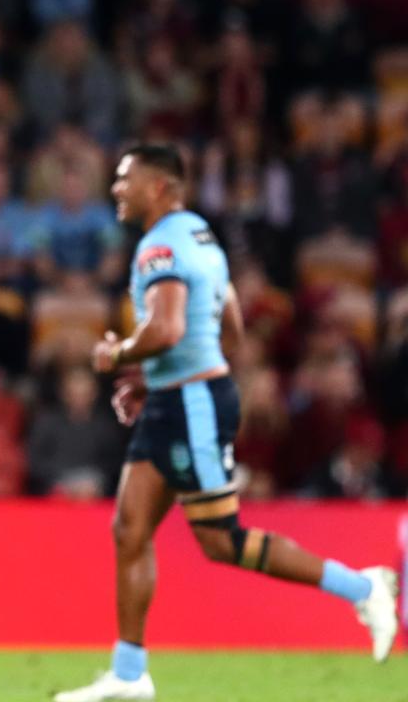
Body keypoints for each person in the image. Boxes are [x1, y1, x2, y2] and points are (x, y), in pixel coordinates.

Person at [54, 144, 399, 702]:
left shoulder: (159, 246)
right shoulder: (202, 238)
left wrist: (116, 357)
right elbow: (230, 328)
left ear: (160, 186)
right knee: (130, 528)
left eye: (126, 179)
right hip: (179, 398)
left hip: (192, 405)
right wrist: (156, 381)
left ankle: (364, 588)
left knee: (223, 542)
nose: (116, 189)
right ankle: (129, 673)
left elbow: (166, 329)